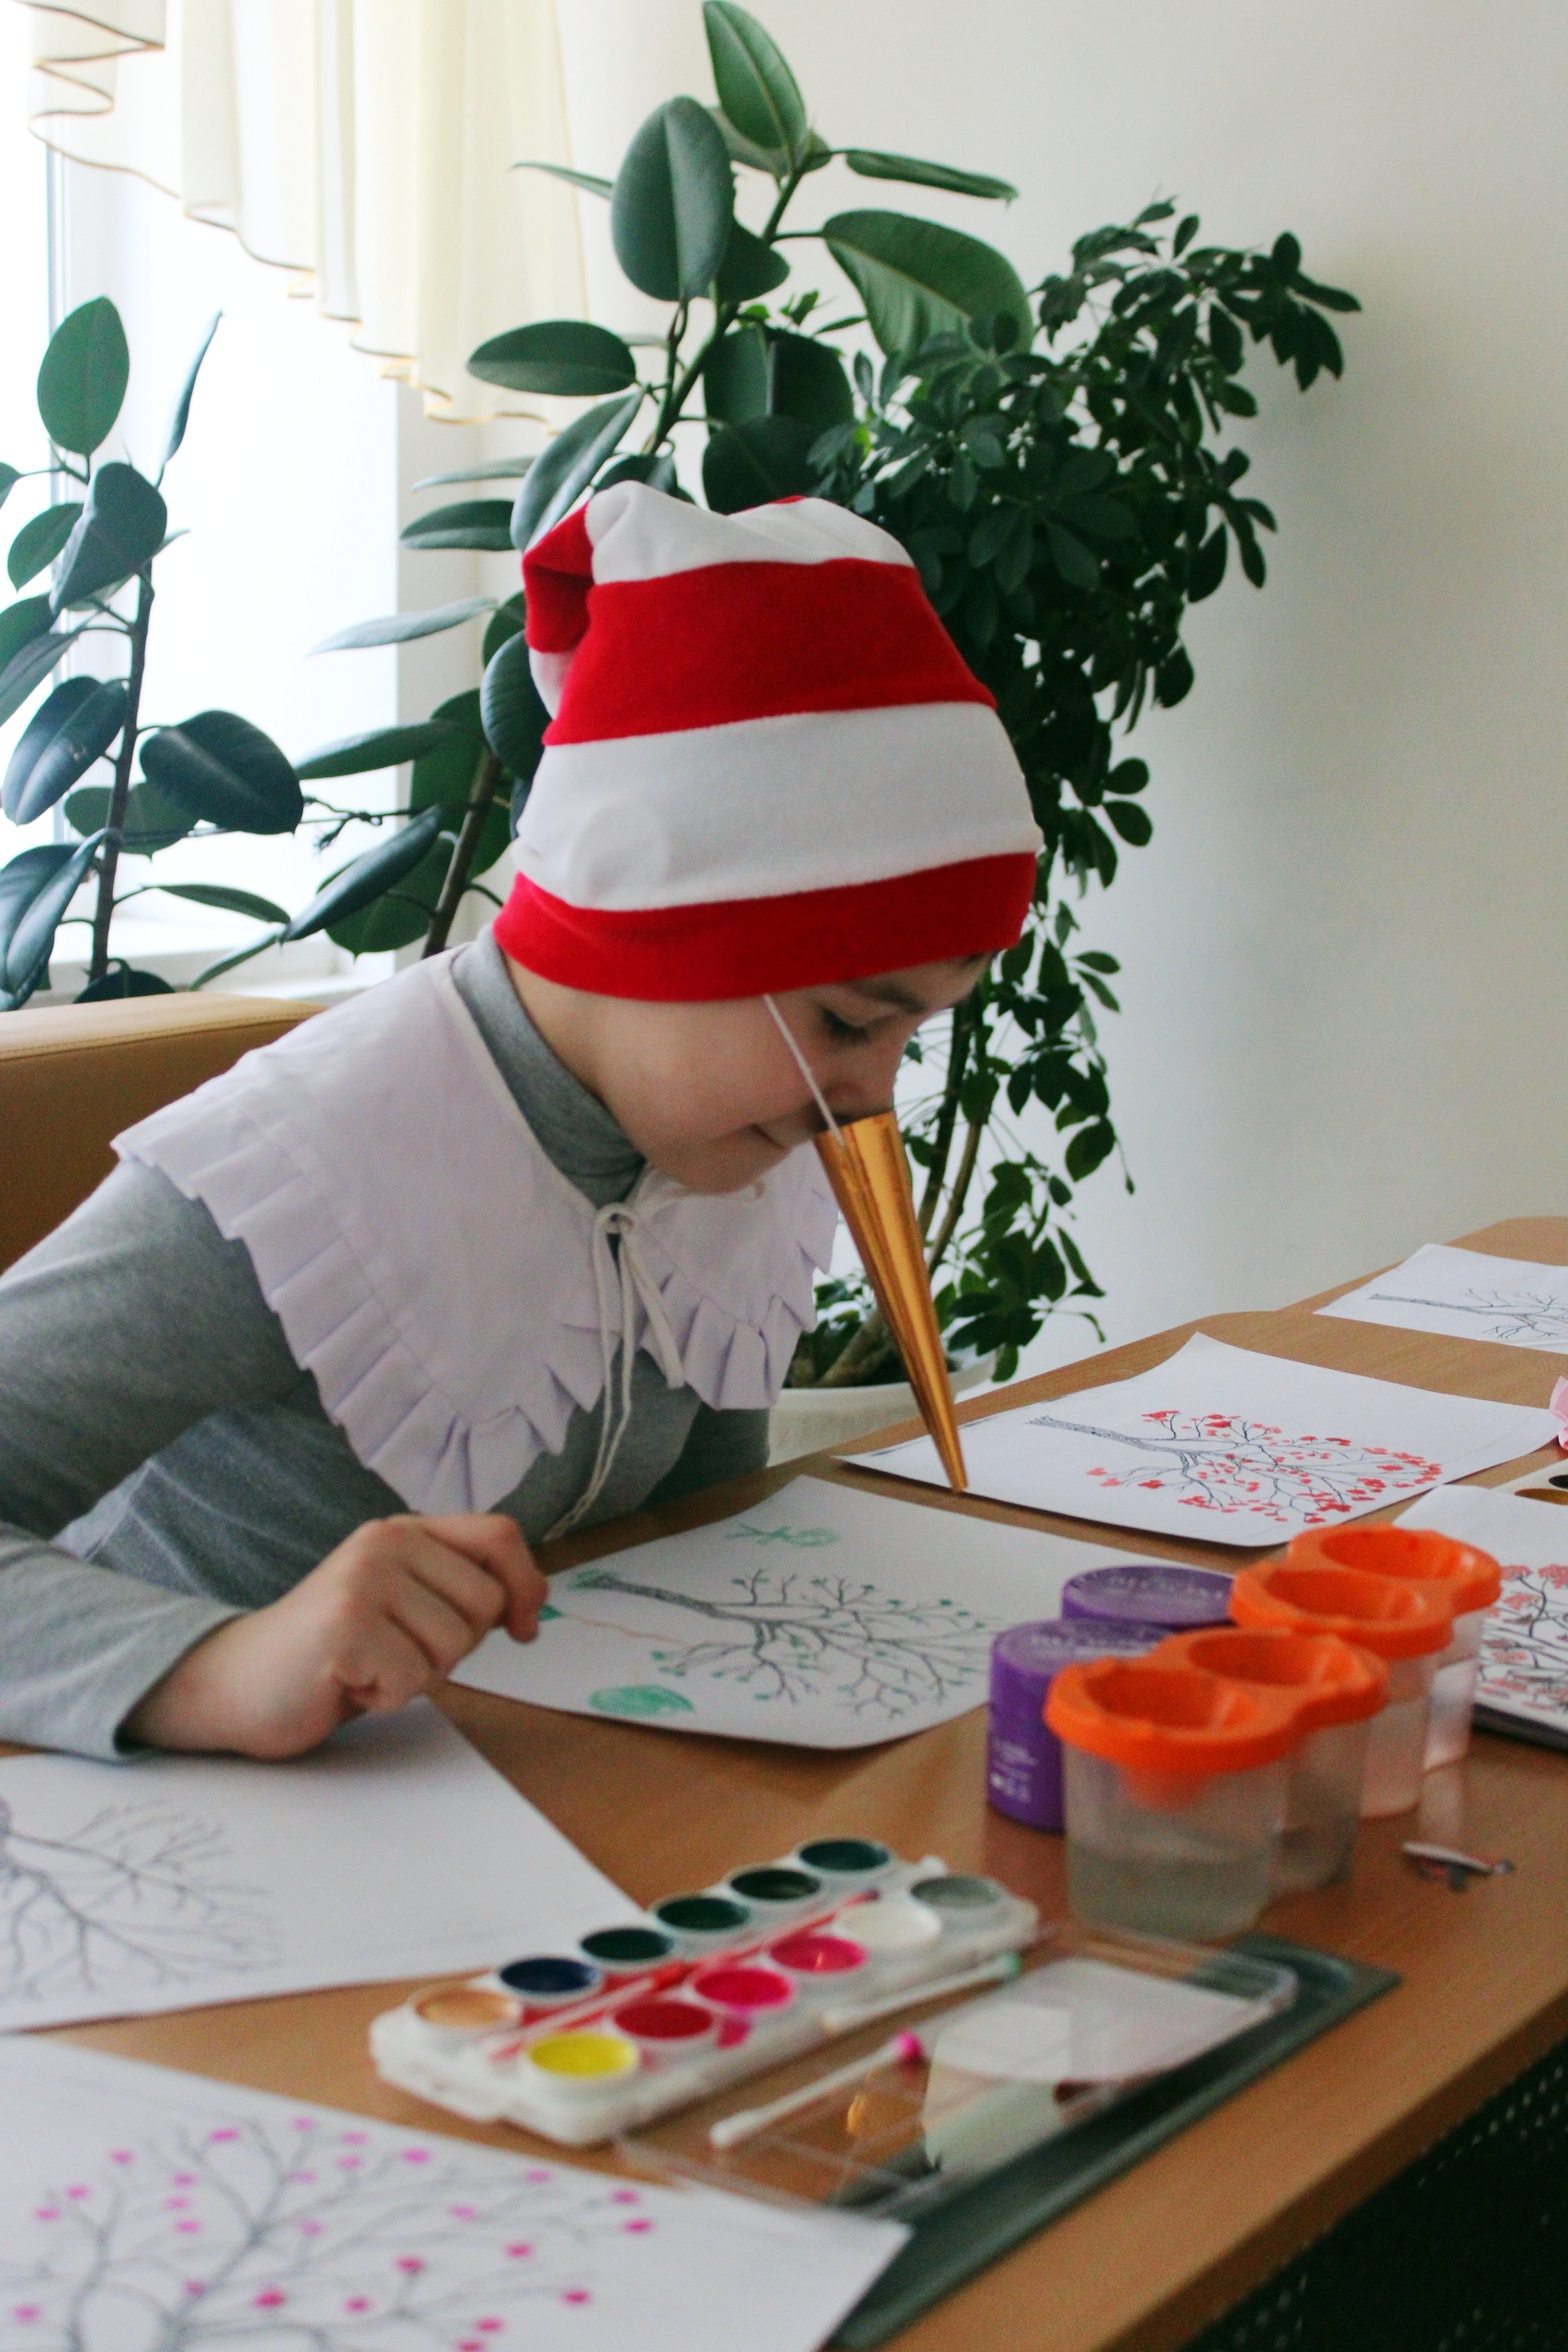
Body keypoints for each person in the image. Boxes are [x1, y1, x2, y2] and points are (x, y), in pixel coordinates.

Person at [0, 485, 1041, 1763]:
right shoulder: (294, 1184)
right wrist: (215, 1666)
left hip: (493, 1808)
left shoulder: (728, 1142)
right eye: (845, 1022)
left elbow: (700, 1548)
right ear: (655, 929)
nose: (871, 1097)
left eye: (908, 1034)